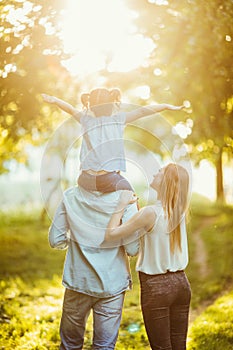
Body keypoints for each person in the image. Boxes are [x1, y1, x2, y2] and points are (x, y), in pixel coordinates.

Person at [104, 163, 191, 350]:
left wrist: (120, 206)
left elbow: (110, 234)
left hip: (156, 287)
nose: (155, 172)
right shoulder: (179, 212)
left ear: (166, 182)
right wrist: (137, 209)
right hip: (182, 285)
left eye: (160, 172)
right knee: (178, 345)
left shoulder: (149, 213)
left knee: (161, 347)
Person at [49, 185, 139, 349]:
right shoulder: (126, 198)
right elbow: (133, 249)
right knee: (104, 346)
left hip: (78, 281)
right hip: (113, 284)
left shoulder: (70, 195)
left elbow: (56, 239)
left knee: (70, 345)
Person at [42, 88, 184, 193]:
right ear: (112, 104)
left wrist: (55, 101)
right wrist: (165, 106)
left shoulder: (86, 121)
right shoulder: (118, 120)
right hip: (107, 180)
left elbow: (70, 109)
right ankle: (137, 230)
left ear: (91, 106)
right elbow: (142, 111)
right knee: (131, 196)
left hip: (84, 180)